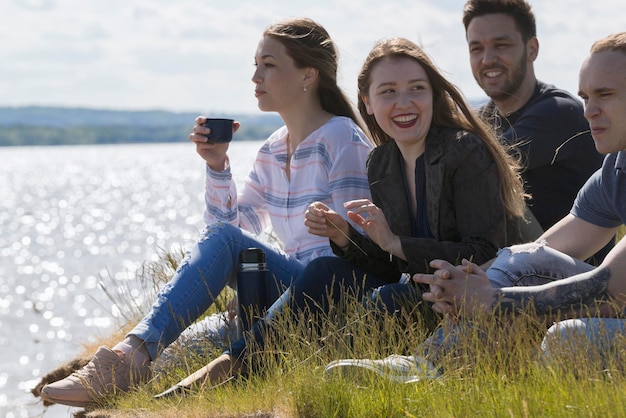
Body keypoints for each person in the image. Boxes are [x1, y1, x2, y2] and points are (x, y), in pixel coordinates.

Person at [155, 36, 532, 397]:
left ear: (433, 94)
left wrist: (394, 242)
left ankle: (267, 368)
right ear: (367, 102)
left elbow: (483, 250)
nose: (405, 102)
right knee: (327, 271)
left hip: (468, 294)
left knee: (389, 298)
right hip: (413, 288)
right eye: (388, 92)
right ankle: (236, 365)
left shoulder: (463, 152)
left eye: (417, 88)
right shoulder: (383, 161)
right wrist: (344, 238)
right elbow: (386, 264)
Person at [39, 17, 374, 408]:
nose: (254, 76)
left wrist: (271, 285)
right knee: (193, 328)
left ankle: (127, 360)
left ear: (308, 75)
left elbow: (356, 246)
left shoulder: (342, 137)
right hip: (286, 292)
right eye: (254, 64)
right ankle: (127, 369)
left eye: (268, 64)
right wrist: (217, 167)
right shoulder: (272, 149)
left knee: (221, 283)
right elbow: (227, 234)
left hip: (331, 296)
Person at [326, 32, 626, 381]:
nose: (589, 111)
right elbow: (539, 254)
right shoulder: (617, 169)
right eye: (586, 97)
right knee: (522, 260)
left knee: (569, 340)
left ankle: (444, 370)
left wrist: (492, 300)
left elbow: (611, 289)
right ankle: (428, 368)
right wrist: (465, 286)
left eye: (605, 95)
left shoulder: (461, 151)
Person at [462, 0, 611, 263]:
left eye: (501, 45)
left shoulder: (558, 112)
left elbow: (475, 166)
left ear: (532, 49)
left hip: (574, 275)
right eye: (477, 48)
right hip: (520, 263)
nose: (487, 59)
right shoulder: (486, 117)